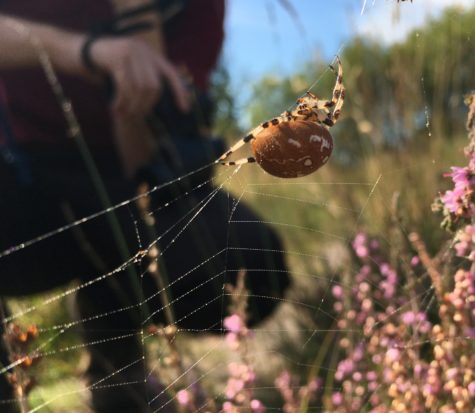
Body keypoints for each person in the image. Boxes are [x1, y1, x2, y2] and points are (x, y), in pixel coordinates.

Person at [0, 1, 290, 412]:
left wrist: (138, 25)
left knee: (252, 261)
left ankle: (118, 374)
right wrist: (87, 52)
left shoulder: (195, 10)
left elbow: (147, 172)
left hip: (121, 183)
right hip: (20, 173)